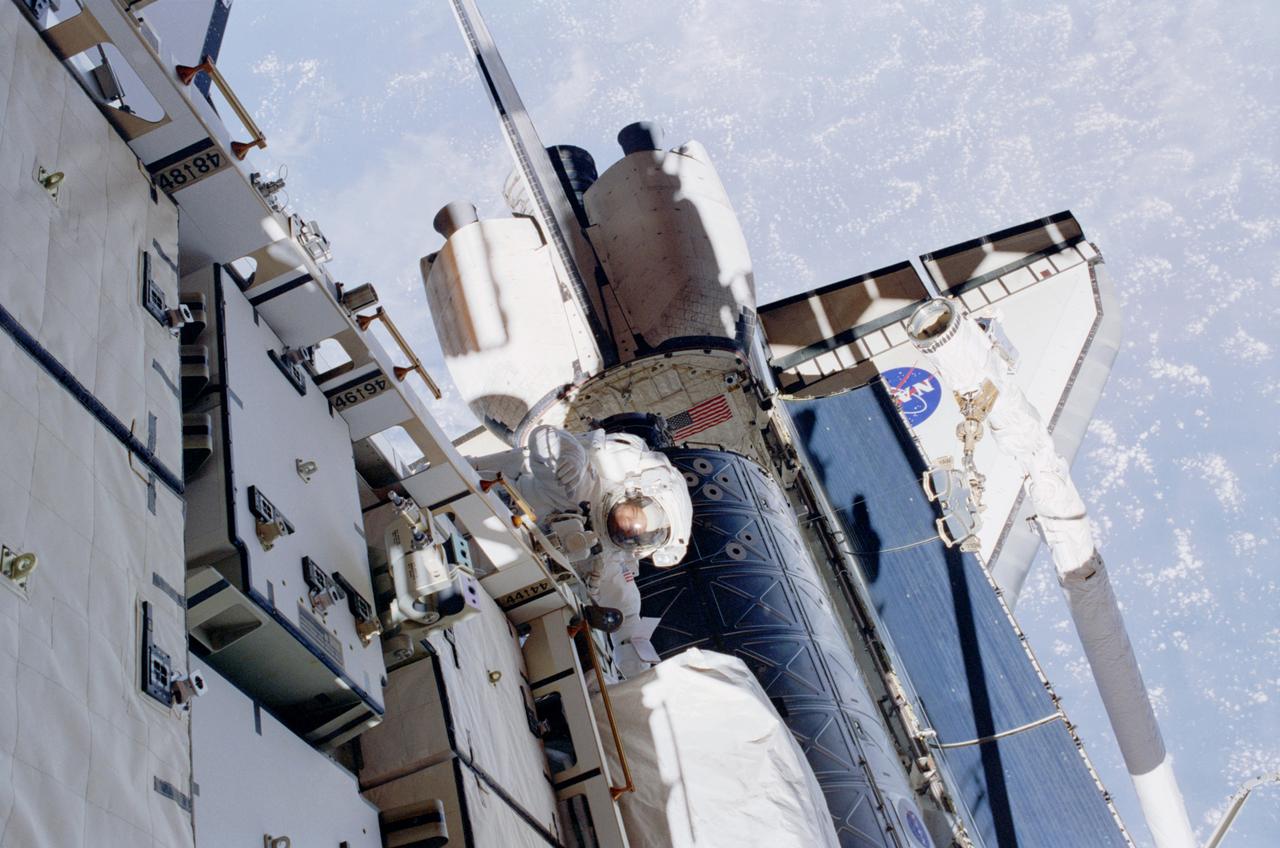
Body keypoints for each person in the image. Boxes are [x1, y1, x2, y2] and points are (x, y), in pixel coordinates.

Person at [472, 425, 692, 676]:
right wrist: (570, 456)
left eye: (640, 534)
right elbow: (544, 437)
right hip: (465, 513)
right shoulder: (581, 487)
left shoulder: (609, 565)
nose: (631, 529)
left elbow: (627, 626)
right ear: (632, 494)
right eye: (635, 517)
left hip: (487, 585)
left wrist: (640, 677)